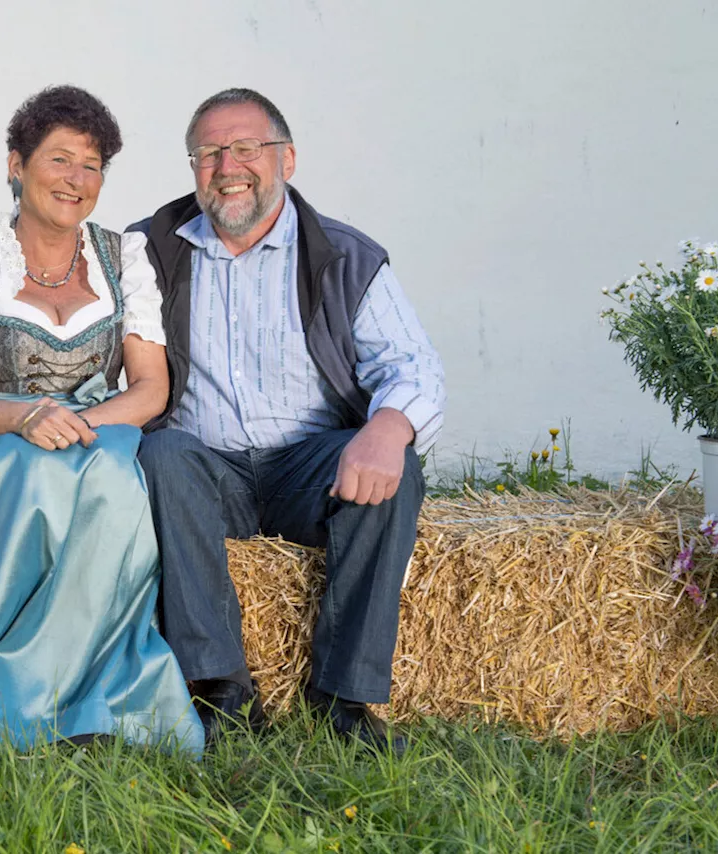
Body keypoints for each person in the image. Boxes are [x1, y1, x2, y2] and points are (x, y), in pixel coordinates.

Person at [0, 85, 203, 753]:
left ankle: (91, 703)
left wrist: (85, 427)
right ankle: (18, 705)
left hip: (102, 429)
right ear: (15, 165)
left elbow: (150, 389)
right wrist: (27, 420)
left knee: (112, 478)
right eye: (59, 160)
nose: (76, 180)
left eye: (91, 165)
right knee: (34, 476)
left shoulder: (125, 258)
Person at [131, 88, 446, 752]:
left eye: (248, 148)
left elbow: (413, 365)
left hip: (311, 468)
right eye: (210, 152)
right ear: (193, 167)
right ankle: (219, 691)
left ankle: (345, 700)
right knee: (160, 458)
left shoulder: (345, 255)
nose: (228, 166)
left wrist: (388, 430)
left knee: (394, 462)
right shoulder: (148, 251)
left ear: (288, 159)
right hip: (203, 470)